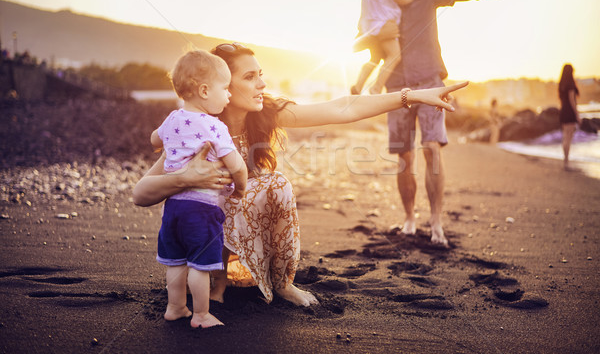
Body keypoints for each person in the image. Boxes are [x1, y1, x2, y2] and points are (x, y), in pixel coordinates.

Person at [133, 42, 468, 307]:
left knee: (275, 185)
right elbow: (141, 194)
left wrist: (411, 96)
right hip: (198, 239)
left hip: (235, 239)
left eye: (260, 74)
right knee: (243, 190)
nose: (262, 83)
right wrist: (187, 178)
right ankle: (212, 281)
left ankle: (282, 283)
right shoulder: (195, 130)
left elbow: (343, 107)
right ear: (221, 87)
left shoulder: (264, 114)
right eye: (250, 77)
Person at [385, 0, 552, 246]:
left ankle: (436, 223)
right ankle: (410, 218)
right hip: (396, 86)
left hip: (430, 83)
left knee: (431, 149)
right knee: (404, 156)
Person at [150, 50, 248, 328]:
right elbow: (238, 165)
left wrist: (167, 142)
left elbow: (154, 139)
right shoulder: (214, 126)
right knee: (199, 265)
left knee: (176, 262)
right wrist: (239, 189)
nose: (229, 95)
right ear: (204, 90)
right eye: (226, 88)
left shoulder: (172, 119)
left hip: (173, 208)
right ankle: (201, 314)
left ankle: (175, 308)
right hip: (202, 209)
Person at [351, 0, 416, 95]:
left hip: (370, 26)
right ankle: (377, 87)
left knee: (375, 58)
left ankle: (358, 86)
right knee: (394, 56)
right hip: (385, 25)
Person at [558, 63, 581, 170]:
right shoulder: (570, 84)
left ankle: (565, 162)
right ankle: (566, 163)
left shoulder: (561, 84)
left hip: (563, 111)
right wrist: (577, 114)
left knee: (565, 137)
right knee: (568, 138)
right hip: (570, 112)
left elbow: (561, 100)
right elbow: (572, 100)